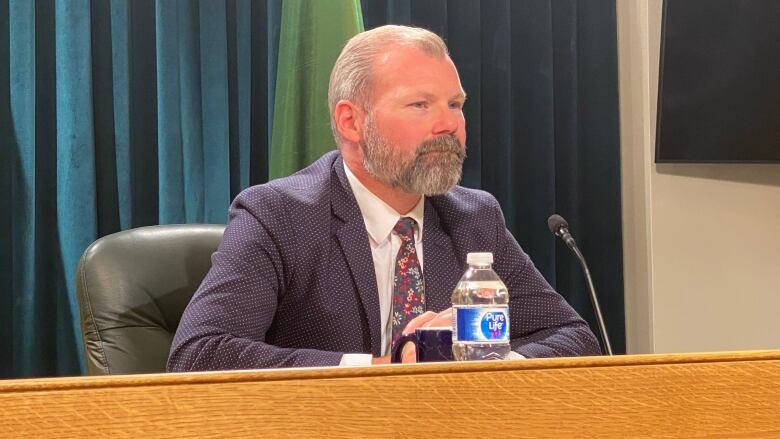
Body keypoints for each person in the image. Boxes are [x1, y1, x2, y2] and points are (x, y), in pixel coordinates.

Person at [168, 25, 600, 372]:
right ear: (352, 122)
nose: (448, 124)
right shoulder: (279, 215)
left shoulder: (472, 217)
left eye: (455, 104)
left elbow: (575, 338)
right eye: (420, 105)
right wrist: (383, 368)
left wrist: (488, 362)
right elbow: (199, 354)